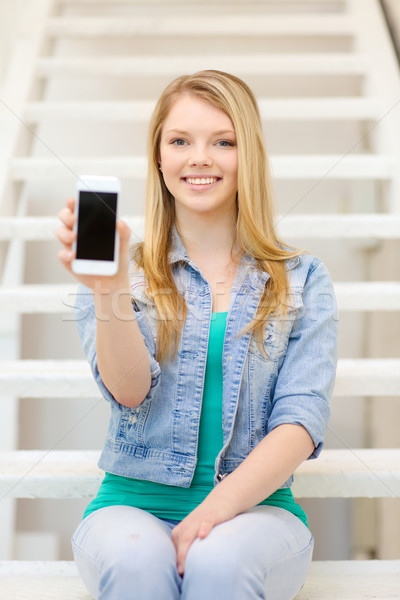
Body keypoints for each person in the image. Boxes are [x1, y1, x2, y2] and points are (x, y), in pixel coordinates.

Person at [56, 70, 338, 600]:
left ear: (247, 155)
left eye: (223, 142)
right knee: (137, 562)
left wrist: (210, 516)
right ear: (159, 158)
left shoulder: (304, 279)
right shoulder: (120, 274)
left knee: (220, 563)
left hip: (258, 513)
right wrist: (109, 288)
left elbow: (300, 422)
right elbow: (129, 390)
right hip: (131, 505)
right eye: (180, 141)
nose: (199, 157)